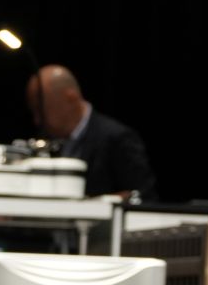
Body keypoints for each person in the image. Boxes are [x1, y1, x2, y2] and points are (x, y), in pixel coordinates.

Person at [24, 64, 158, 199]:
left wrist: (95, 205)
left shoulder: (117, 138)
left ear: (70, 98)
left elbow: (144, 195)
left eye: (41, 110)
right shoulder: (44, 140)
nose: (37, 120)